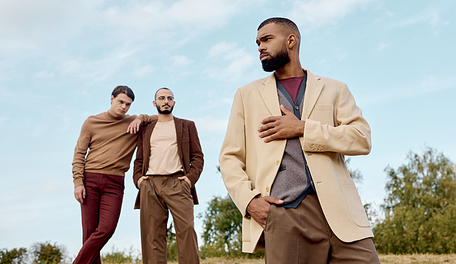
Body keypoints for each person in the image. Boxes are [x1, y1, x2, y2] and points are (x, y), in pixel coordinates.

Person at [219, 18, 380, 263]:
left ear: (291, 41)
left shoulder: (334, 89)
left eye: (267, 39)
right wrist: (249, 201)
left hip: (341, 212)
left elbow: (361, 138)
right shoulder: (246, 94)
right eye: (257, 43)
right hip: (284, 213)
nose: (260, 47)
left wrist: (303, 128)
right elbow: (230, 157)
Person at [72, 85, 145, 264]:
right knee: (89, 234)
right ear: (111, 99)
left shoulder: (133, 122)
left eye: (128, 104)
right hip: (90, 179)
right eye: (121, 102)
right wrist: (78, 182)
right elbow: (79, 154)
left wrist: (141, 118)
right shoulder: (91, 122)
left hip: (115, 182)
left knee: (107, 229)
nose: (124, 107)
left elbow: (155, 119)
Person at [132, 87, 204, 264]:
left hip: (178, 183)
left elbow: (197, 156)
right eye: (162, 98)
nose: (166, 101)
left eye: (169, 98)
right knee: (152, 236)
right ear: (154, 103)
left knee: (186, 230)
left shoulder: (187, 125)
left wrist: (189, 180)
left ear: (174, 102)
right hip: (150, 184)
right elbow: (139, 159)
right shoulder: (146, 128)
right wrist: (139, 181)